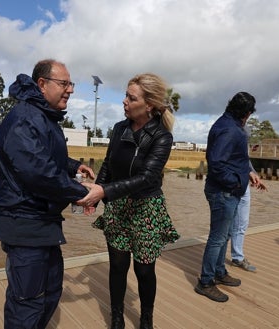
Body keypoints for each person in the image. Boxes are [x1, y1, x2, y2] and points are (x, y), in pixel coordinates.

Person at [0, 59, 95, 329]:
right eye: (64, 83)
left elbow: (45, 154)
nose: (70, 89)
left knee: (49, 291)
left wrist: (73, 166)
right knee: (28, 301)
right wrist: (80, 192)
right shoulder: (25, 118)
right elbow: (39, 172)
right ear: (42, 84)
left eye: (71, 83)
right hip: (24, 222)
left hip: (41, 222)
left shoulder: (41, 115)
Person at [80, 73, 180, 329]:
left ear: (149, 105)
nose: (124, 101)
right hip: (117, 206)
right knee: (117, 266)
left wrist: (104, 192)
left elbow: (147, 178)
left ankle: (146, 319)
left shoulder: (162, 136)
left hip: (146, 207)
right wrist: (95, 194)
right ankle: (116, 318)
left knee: (145, 271)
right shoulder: (119, 129)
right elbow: (108, 166)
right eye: (125, 95)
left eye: (130, 97)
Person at [194, 91, 257, 303]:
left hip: (227, 191)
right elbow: (217, 163)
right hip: (224, 192)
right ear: (247, 113)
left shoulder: (227, 124)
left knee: (226, 234)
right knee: (218, 237)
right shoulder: (231, 130)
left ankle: (219, 272)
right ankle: (206, 281)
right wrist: (236, 183)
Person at [230, 162, 267, 272]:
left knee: (242, 224)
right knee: (224, 227)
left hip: (244, 185)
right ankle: (216, 265)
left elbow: (244, 159)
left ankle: (237, 257)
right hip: (230, 183)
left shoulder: (243, 144)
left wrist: (252, 174)